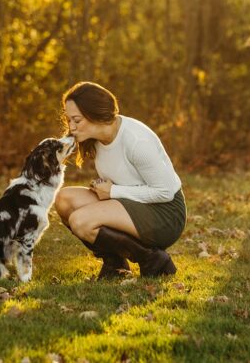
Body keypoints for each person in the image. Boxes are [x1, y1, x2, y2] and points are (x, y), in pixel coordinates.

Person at [54, 81, 186, 278]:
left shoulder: (136, 141)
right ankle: (115, 265)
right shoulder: (95, 136)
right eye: (68, 120)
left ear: (95, 115)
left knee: (81, 221)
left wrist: (114, 192)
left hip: (164, 214)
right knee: (64, 200)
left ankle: (153, 260)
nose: (71, 127)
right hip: (130, 202)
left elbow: (165, 192)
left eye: (77, 120)